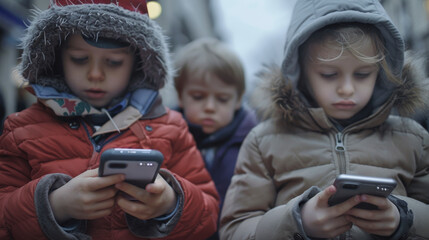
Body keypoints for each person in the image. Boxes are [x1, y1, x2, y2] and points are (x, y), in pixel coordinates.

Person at [0, 1, 219, 239]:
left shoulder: (171, 127)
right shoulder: (20, 130)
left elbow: (209, 215)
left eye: (114, 62)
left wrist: (171, 204)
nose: (96, 74)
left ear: (138, 63)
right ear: (56, 57)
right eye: (79, 59)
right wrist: (54, 205)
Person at [219, 0, 429, 239]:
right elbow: (234, 229)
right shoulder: (263, 142)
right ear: (301, 73)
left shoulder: (413, 139)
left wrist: (403, 218)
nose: (347, 89)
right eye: (329, 75)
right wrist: (297, 222)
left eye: (362, 74)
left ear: (381, 71)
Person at [173, 37, 258, 239]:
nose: (210, 107)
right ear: (180, 96)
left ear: (238, 99)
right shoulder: (167, 138)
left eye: (222, 99)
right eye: (198, 97)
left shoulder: (254, 143)